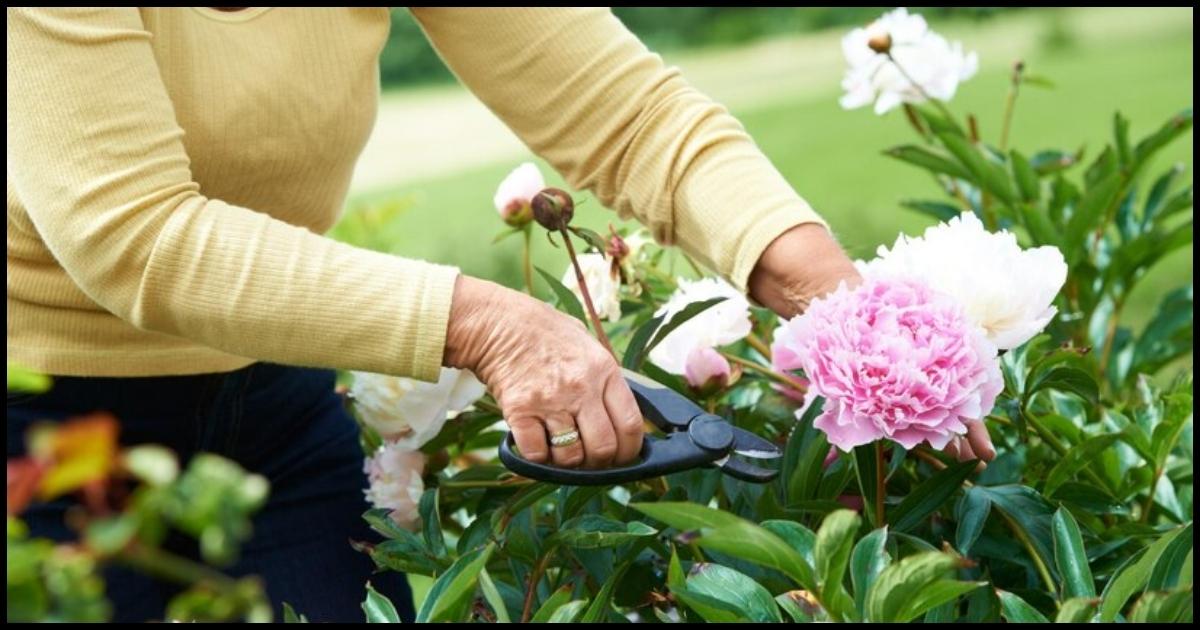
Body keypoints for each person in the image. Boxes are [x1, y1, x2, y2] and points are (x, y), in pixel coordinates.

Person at [7, 7, 990, 622]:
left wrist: (854, 317)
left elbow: (628, 115)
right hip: (41, 443)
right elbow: (131, 232)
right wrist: (487, 323)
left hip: (272, 411)